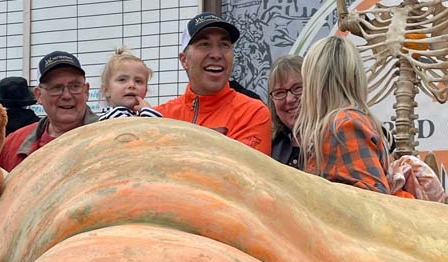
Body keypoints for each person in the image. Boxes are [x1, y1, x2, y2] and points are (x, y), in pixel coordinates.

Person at [156, 13, 271, 154]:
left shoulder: (252, 113)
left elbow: (241, 173)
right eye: (204, 44)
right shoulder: (161, 116)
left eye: (224, 45)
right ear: (184, 60)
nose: (216, 54)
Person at [293, 36, 394, 194]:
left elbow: (375, 200)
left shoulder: (344, 125)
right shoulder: (343, 123)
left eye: (305, 81)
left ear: (316, 82)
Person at [0, 51, 99, 171]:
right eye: (56, 88)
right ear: (38, 95)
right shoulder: (12, 144)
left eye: (75, 86)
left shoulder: (110, 136)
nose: (67, 95)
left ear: (86, 91)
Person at [98, 47, 161, 120]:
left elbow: (162, 128)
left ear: (145, 90)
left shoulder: (143, 114)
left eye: (138, 81)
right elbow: (133, 129)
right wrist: (148, 111)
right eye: (122, 80)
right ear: (106, 90)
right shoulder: (113, 115)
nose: (131, 85)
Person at [267, 55, 303, 168]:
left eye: (298, 88)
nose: (289, 99)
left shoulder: (335, 138)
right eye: (279, 92)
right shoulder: (270, 146)